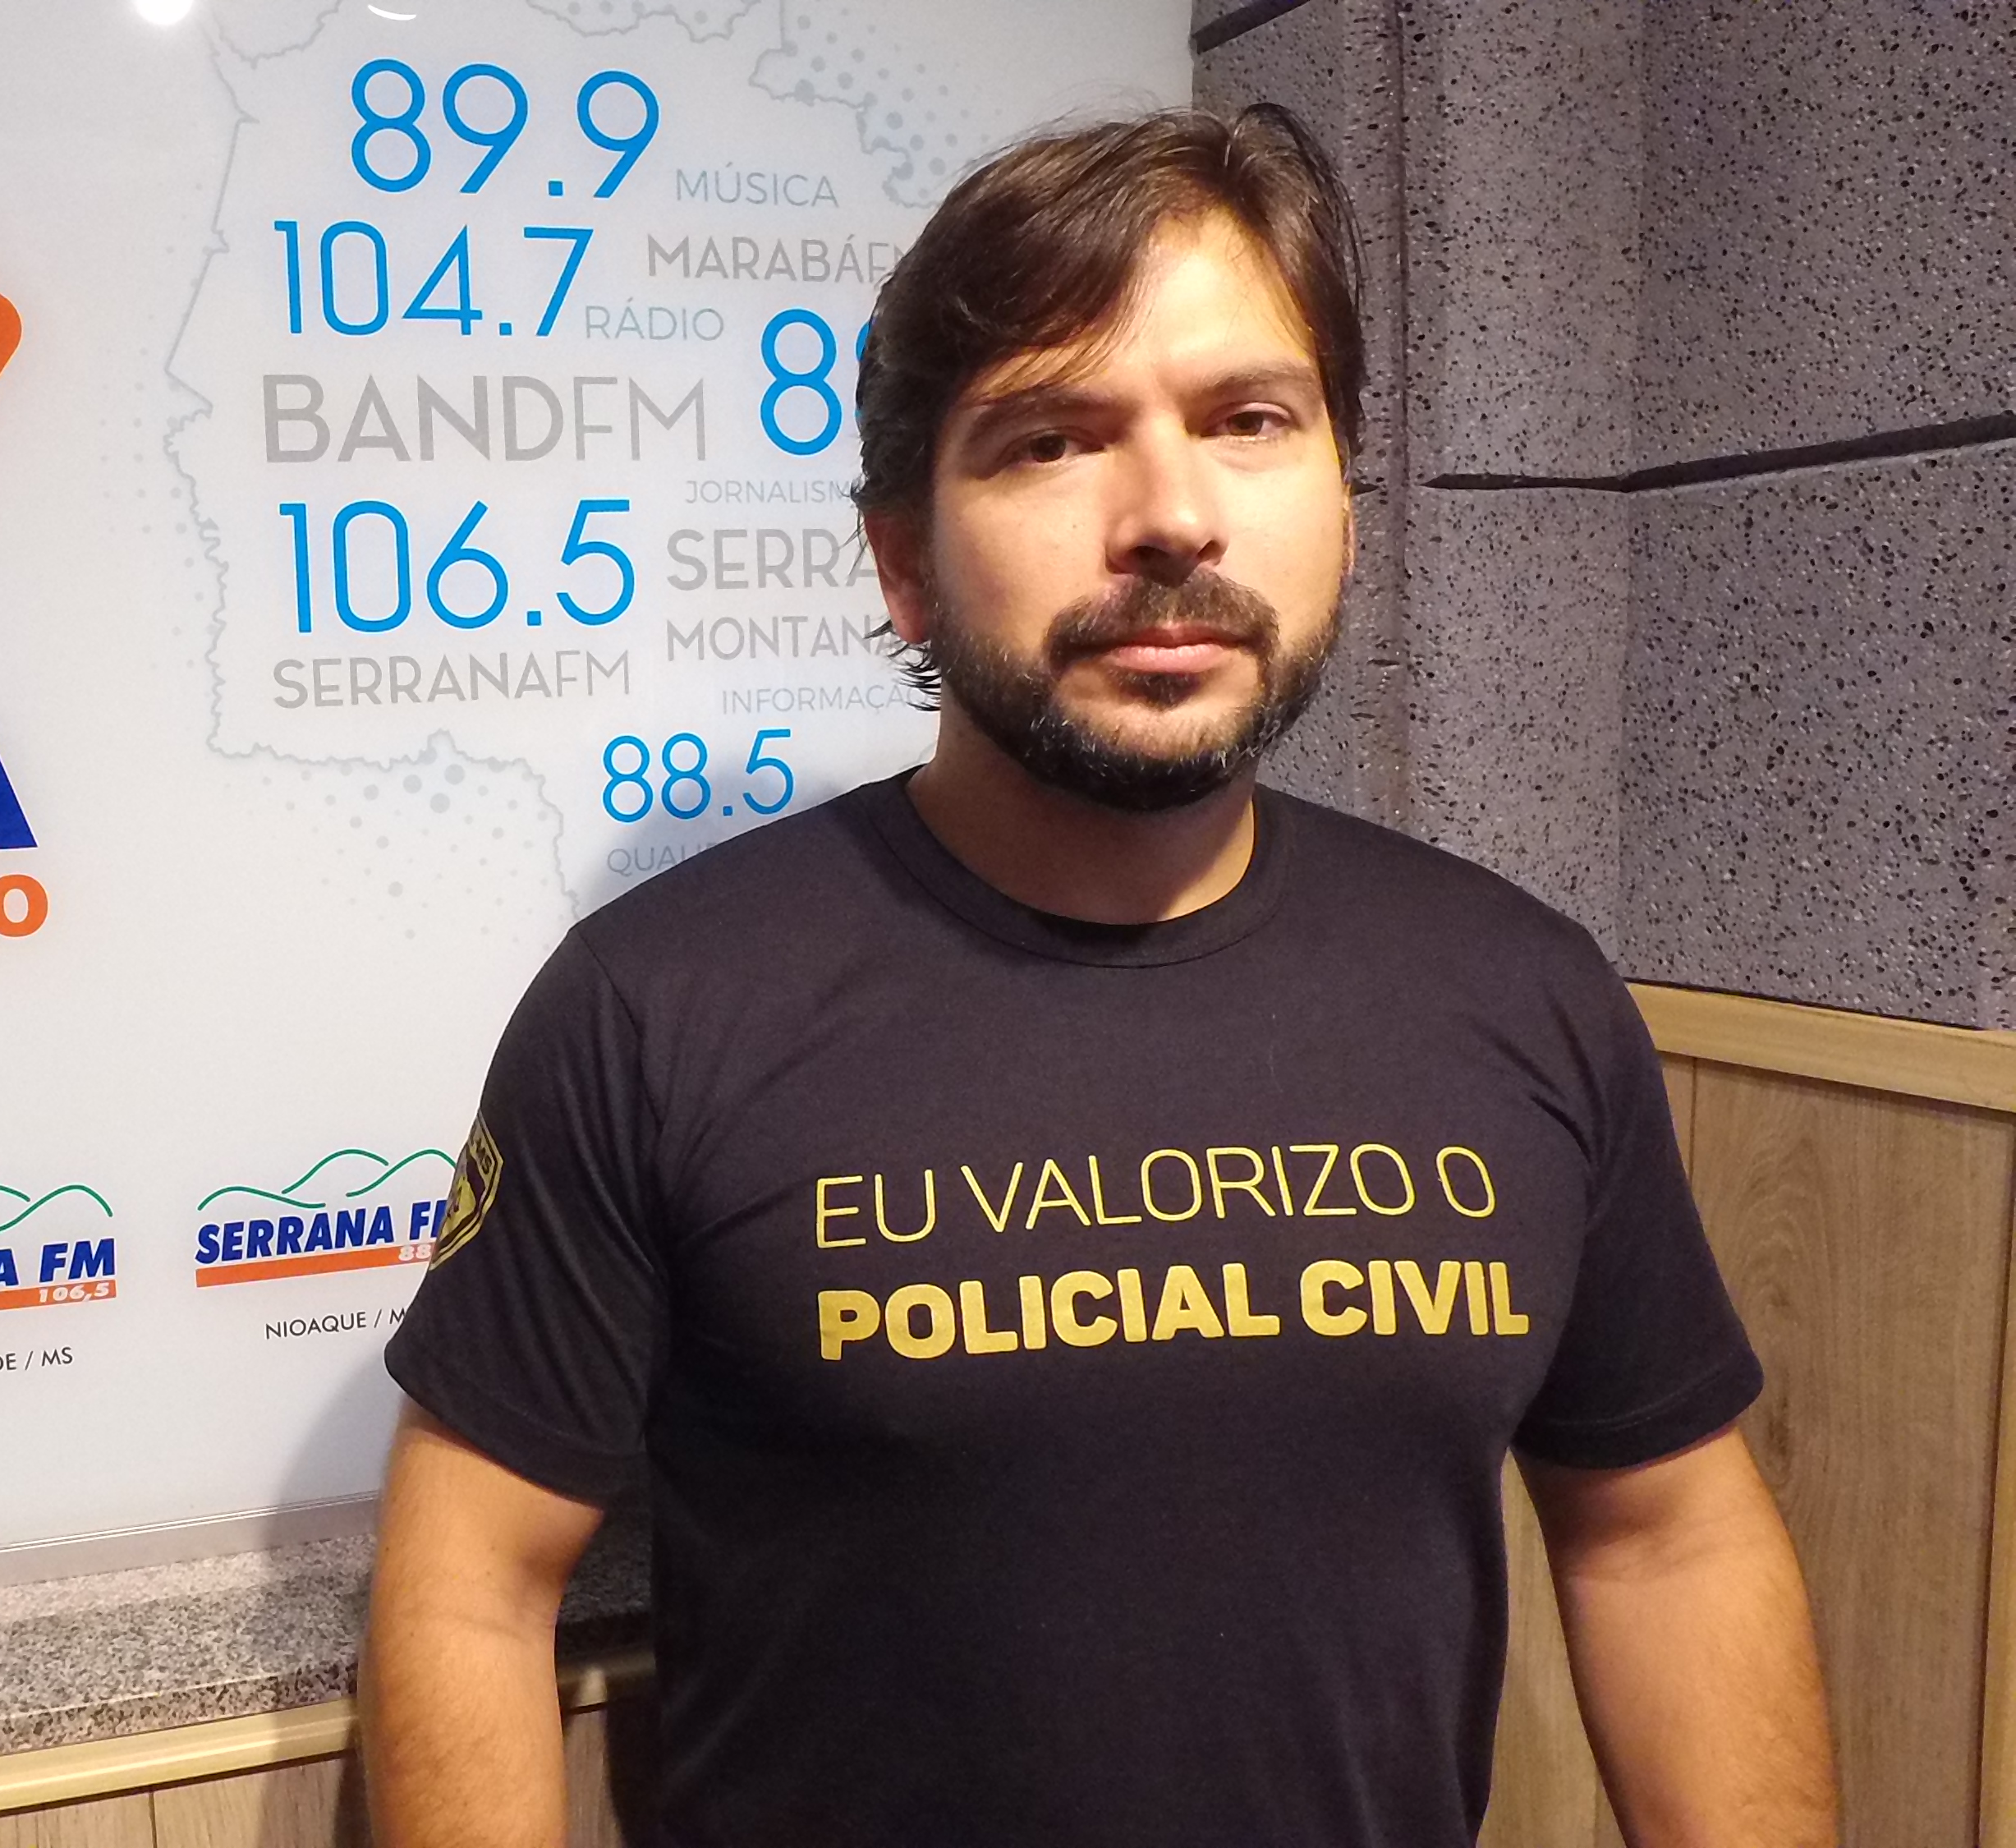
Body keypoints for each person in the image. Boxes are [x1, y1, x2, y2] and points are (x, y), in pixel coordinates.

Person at [364, 106, 1836, 1848]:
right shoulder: (658, 1006)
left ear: (1345, 507)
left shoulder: (1522, 995)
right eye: (1052, 440)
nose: (1171, 516)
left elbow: (1662, 1536)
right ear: (903, 560)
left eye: (1248, 420)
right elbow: (469, 1590)